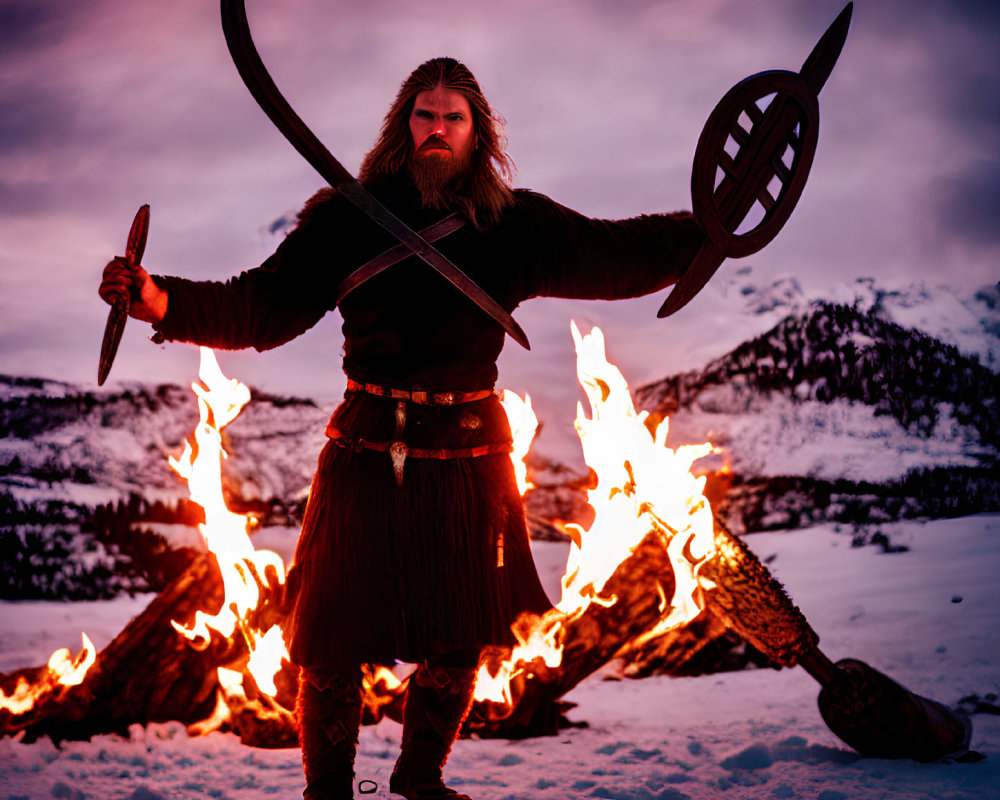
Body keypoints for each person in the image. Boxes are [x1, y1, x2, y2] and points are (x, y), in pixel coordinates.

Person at [100, 57, 704, 800]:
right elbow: (263, 305)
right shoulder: (345, 220)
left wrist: (708, 232)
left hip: (470, 452)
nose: (438, 129)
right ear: (402, 125)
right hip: (363, 444)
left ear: (477, 133)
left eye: (454, 117)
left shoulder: (514, 224)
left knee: (462, 631)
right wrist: (161, 301)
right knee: (330, 636)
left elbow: (618, 255)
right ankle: (328, 792)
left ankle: (419, 780)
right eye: (426, 114)